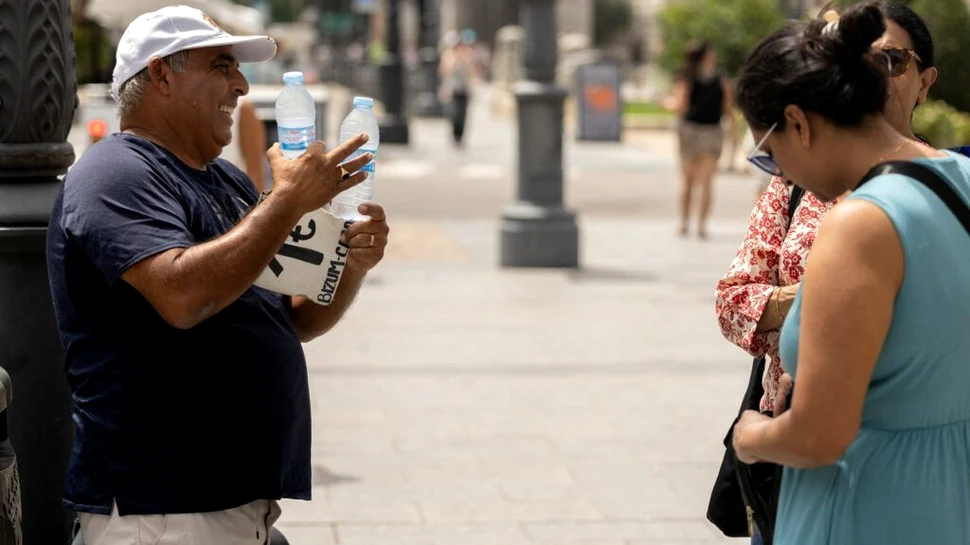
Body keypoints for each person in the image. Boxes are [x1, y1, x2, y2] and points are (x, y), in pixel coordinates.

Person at [46, 6, 389, 544]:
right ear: (160, 74)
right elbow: (183, 296)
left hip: (232, 507)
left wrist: (352, 266)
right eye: (222, 66)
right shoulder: (115, 172)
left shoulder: (226, 181)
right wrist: (286, 202)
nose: (241, 85)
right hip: (161, 511)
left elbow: (293, 319)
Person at [728, 3, 970, 544]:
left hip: (866, 502)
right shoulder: (961, 175)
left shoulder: (859, 220)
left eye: (771, 155)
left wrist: (753, 435)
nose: (780, 173)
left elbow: (818, 438)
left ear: (798, 123)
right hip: (951, 494)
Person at [716, 0, 939, 419]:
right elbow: (732, 302)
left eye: (892, 60)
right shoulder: (796, 179)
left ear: (925, 82)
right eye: (858, 60)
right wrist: (812, 294)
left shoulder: (939, 186)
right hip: (787, 421)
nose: (871, 75)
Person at [664, 41, 738, 238]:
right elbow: (728, 109)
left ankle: (684, 223)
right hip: (713, 131)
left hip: (690, 131)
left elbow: (680, 106)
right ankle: (701, 226)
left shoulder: (686, 78)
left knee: (687, 180)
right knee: (707, 182)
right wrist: (734, 134)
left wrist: (666, 102)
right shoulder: (721, 80)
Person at [439, 28, 483, 148]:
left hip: (464, 88)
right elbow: (444, 72)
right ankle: (455, 134)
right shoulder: (448, 55)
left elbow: (473, 70)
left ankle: (461, 137)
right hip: (452, 89)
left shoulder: (467, 54)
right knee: (454, 113)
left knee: (463, 113)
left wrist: (475, 82)